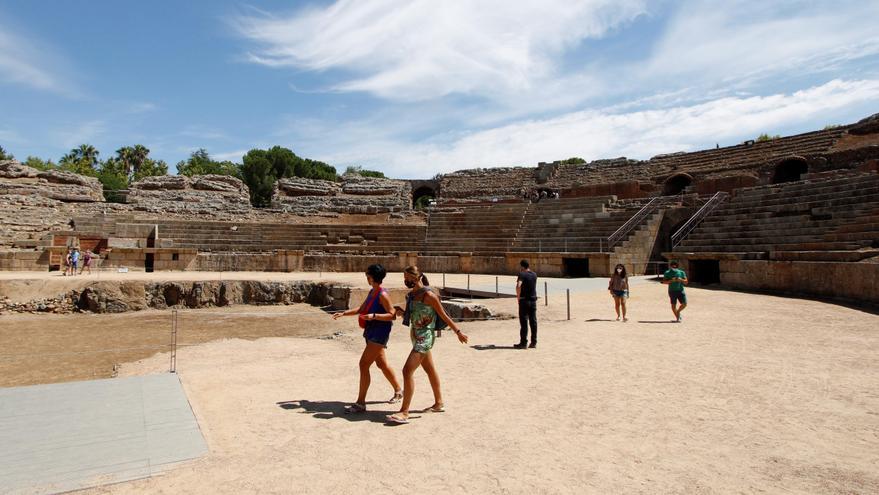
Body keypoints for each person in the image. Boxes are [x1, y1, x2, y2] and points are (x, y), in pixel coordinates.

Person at [386, 266, 468, 424]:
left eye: (408, 278)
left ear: (416, 278)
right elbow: (414, 315)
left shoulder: (429, 295)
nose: (405, 281)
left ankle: (404, 411)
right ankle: (439, 403)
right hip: (415, 336)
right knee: (430, 370)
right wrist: (401, 312)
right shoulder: (412, 295)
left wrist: (458, 332)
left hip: (425, 338)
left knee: (406, 370)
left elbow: (444, 315)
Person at [332, 264, 403, 413]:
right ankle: (398, 390)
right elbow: (362, 309)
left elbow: (392, 315)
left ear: (372, 277)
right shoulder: (373, 292)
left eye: (368, 275)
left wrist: (374, 316)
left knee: (363, 365)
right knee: (382, 364)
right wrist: (344, 313)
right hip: (372, 331)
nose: (366, 277)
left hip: (379, 333)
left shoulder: (382, 294)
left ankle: (360, 403)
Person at [515, 259, 538, 349]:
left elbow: (518, 286)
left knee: (524, 322)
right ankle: (534, 342)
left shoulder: (522, 274)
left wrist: (518, 298)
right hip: (533, 301)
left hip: (524, 300)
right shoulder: (534, 275)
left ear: (522, 266)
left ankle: (523, 343)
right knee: (533, 322)